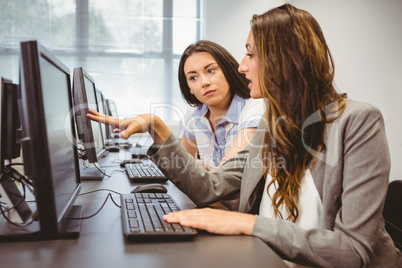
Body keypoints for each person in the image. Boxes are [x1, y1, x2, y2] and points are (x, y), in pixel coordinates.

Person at [88, 4, 401, 267]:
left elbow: (353, 251)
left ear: (285, 59)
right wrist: (156, 126)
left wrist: (247, 224)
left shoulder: (357, 121)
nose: (241, 67)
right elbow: (212, 187)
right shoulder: (272, 125)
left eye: (251, 55)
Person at [178, 40, 263, 171]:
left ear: (227, 70)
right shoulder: (195, 112)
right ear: (189, 88)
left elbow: (224, 177)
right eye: (193, 78)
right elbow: (181, 166)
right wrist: (198, 170)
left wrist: (201, 176)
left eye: (211, 70)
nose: (204, 83)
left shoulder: (254, 105)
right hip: (210, 189)